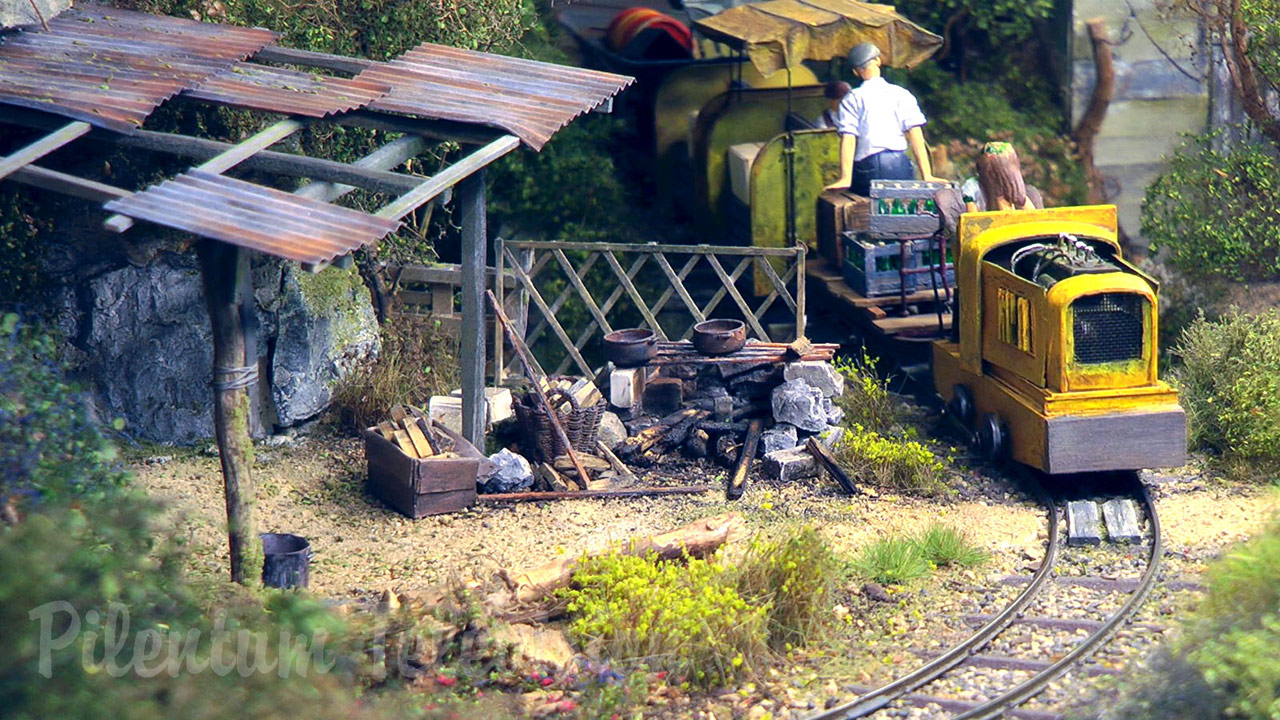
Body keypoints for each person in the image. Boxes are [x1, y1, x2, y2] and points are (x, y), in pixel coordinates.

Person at [824, 42, 942, 196]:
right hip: (899, 167)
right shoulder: (902, 94)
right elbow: (916, 135)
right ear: (878, 61)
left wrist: (846, 177)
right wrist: (927, 174)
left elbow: (849, 139)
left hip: (867, 170)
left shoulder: (852, 98)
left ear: (855, 72)